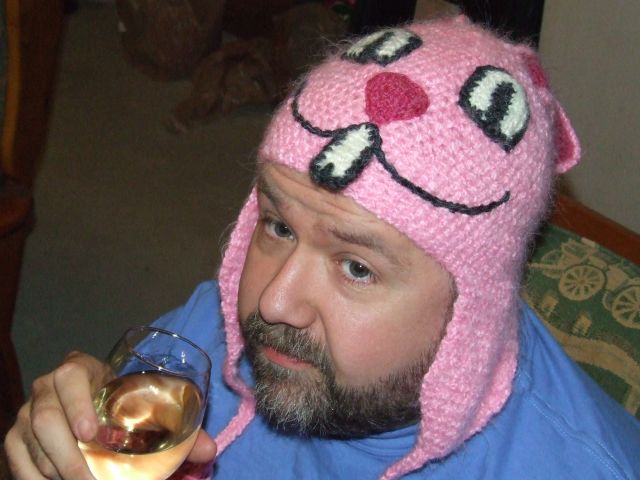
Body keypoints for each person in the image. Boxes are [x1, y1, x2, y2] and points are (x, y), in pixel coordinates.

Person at [5, 15, 640, 480]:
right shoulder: (211, 337)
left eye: (356, 267)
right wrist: (51, 449)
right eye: (279, 226)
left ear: (473, 308)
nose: (273, 302)